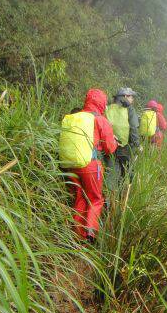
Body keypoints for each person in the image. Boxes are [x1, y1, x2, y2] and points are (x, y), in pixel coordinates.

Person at [59, 88, 117, 242]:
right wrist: (115, 142)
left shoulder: (74, 116)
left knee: (79, 197)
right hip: (91, 165)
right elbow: (110, 148)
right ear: (102, 103)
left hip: (70, 164)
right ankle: (90, 233)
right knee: (95, 198)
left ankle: (76, 235)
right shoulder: (100, 120)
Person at [105, 87, 140, 182]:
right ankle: (123, 193)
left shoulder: (108, 108)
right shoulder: (129, 109)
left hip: (109, 146)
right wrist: (137, 144)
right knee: (127, 172)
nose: (132, 99)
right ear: (125, 96)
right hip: (124, 147)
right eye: (131, 97)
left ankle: (111, 193)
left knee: (111, 172)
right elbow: (133, 128)